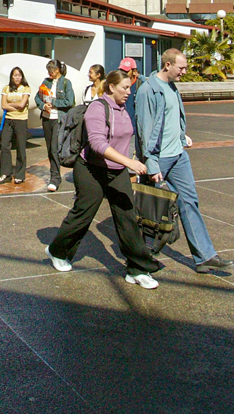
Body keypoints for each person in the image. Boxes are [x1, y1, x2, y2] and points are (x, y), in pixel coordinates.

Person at [46, 69, 163, 290]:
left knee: (127, 217)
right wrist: (130, 163)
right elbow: (98, 144)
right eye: (124, 88)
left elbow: (125, 138)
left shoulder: (122, 108)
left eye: (129, 87)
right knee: (83, 214)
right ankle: (56, 251)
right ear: (111, 87)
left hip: (117, 170)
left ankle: (137, 269)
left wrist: (133, 162)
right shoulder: (97, 108)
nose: (129, 92)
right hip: (91, 169)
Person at [137, 48, 234, 274]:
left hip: (178, 155)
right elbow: (144, 130)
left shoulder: (172, 87)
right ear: (167, 65)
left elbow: (172, 118)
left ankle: (204, 257)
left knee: (190, 202)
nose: (184, 71)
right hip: (159, 158)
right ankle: (143, 258)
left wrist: (182, 137)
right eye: (181, 67)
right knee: (153, 211)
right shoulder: (148, 91)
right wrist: (151, 163)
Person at [35, 59, 75, 193]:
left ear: (57, 70)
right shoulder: (46, 82)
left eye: (50, 71)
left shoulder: (65, 83)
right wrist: (43, 105)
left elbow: (70, 101)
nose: (49, 73)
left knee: (54, 148)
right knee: (49, 149)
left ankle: (55, 178)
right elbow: (37, 97)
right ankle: (55, 174)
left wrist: (54, 102)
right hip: (46, 119)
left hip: (58, 119)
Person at [0, 68, 31, 184]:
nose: (17, 77)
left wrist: (10, 104)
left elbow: (22, 104)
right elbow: (3, 105)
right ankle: (5, 173)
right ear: (11, 77)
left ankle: (20, 174)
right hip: (8, 120)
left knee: (21, 147)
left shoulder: (26, 88)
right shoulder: (6, 88)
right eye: (14, 75)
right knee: (4, 145)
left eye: (19, 75)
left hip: (21, 120)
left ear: (22, 77)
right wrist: (14, 107)